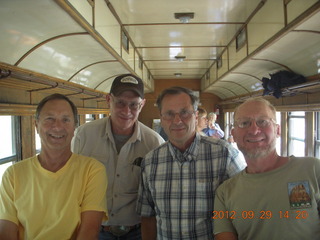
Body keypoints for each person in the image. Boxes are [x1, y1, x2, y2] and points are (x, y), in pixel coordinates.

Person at [136, 86, 246, 240]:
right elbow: (148, 217)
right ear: (161, 119)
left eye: (184, 112)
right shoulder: (150, 162)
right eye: (169, 114)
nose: (177, 120)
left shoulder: (225, 155)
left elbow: (246, 211)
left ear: (195, 116)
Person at [0, 93, 108, 240]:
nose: (57, 127)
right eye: (50, 118)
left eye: (66, 119)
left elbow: (89, 231)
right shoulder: (12, 175)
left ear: (75, 126)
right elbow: (6, 232)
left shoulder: (92, 170)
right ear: (36, 125)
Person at [72, 74, 164, 240]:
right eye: (120, 102)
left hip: (137, 232)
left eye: (134, 105)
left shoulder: (154, 143)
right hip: (94, 230)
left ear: (142, 105)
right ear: (109, 100)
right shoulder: (83, 135)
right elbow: (73, 184)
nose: (126, 111)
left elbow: (157, 195)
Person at [213, 97, 320, 240]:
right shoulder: (224, 193)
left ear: (277, 130)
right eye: (244, 123)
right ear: (234, 135)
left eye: (262, 121)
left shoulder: (312, 169)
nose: (254, 130)